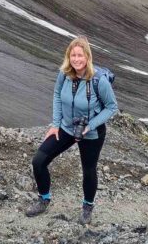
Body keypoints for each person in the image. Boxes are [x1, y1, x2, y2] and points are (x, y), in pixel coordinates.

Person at [25, 36, 119, 225]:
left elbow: (111, 107)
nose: (76, 59)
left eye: (80, 55)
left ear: (87, 57)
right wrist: (55, 124)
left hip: (91, 132)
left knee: (89, 169)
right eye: (73, 55)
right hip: (67, 128)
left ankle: (87, 207)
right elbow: (57, 95)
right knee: (39, 161)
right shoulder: (65, 74)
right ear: (69, 56)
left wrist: (90, 126)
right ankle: (44, 198)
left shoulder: (99, 81)